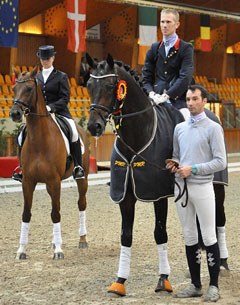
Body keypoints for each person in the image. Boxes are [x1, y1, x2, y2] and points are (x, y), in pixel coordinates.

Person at [166, 84, 227, 302]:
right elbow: (176, 154)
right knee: (189, 236)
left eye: (194, 99)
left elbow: (221, 161)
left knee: (209, 236)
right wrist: (174, 165)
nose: (190, 103)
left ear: (203, 101)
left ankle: (213, 285)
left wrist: (193, 169)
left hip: (202, 187)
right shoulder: (179, 129)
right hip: (182, 189)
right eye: (188, 99)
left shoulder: (213, 128)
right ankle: (195, 284)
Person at [12, 45, 84, 182]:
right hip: (38, 115)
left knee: (74, 132)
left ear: (53, 58)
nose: (45, 61)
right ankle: (21, 168)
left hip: (59, 112)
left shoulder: (61, 76)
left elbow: (65, 98)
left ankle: (78, 167)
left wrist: (51, 107)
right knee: (21, 135)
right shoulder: (35, 77)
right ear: (40, 59)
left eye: (48, 58)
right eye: (43, 58)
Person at [142, 8, 194, 113]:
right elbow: (146, 77)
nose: (164, 25)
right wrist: (151, 93)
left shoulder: (186, 48)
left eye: (168, 22)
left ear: (177, 24)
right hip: (155, 99)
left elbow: (185, 77)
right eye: (162, 22)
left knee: (186, 120)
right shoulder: (154, 48)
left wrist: (168, 95)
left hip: (178, 100)